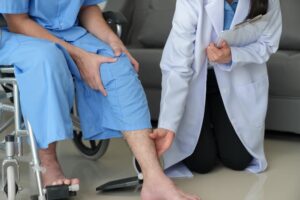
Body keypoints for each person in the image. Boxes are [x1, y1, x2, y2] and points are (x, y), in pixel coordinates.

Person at [0, 1, 200, 199]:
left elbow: (87, 8)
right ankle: (48, 165)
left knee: (117, 64)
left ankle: (154, 177)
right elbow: (17, 22)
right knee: (47, 60)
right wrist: (79, 56)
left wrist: (113, 40)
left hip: (70, 33)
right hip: (20, 36)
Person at [150, 0, 282, 175]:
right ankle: (207, 122)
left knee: (238, 159)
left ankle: (215, 123)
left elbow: (268, 44)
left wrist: (233, 55)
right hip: (195, 81)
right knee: (201, 163)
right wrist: (168, 124)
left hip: (235, 78)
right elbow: (178, 66)